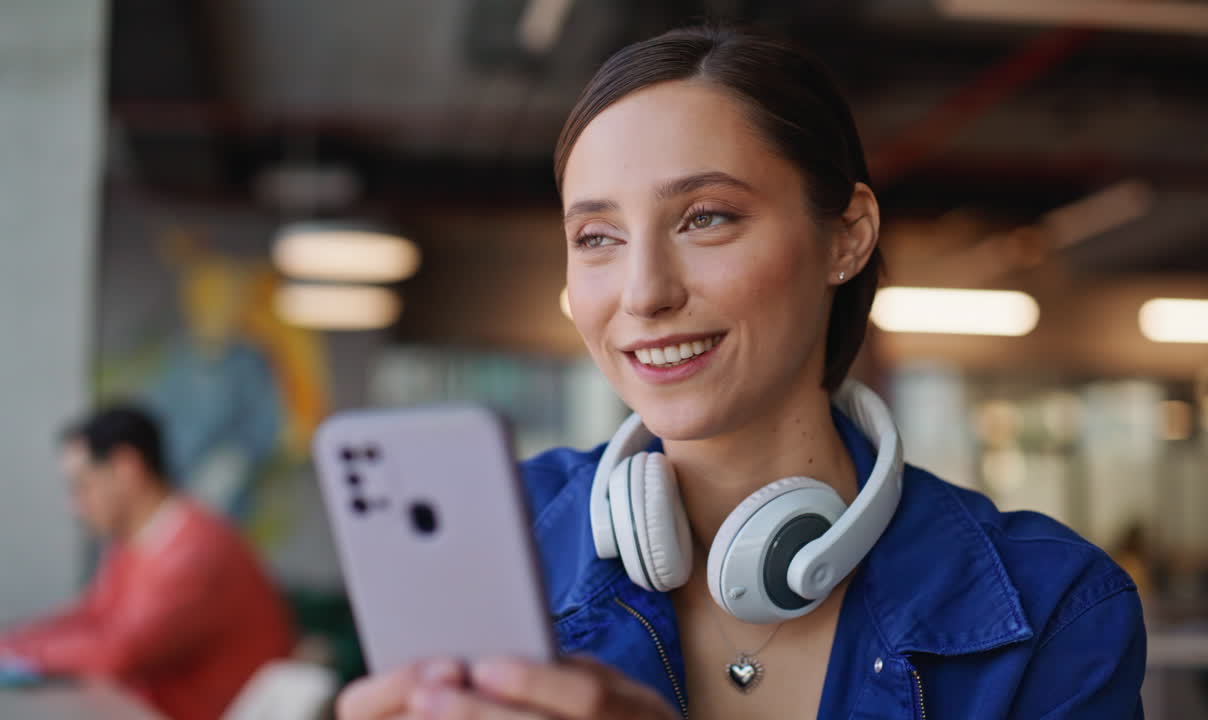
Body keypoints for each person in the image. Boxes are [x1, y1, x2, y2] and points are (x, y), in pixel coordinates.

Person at [338, 25, 1146, 720]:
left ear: (847, 236)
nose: (645, 292)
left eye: (706, 218)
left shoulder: (1052, 610)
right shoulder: (495, 541)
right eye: (597, 237)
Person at [0, 405, 295, 720]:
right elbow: (93, 617)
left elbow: (120, 652)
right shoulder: (135, 541)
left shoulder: (197, 551)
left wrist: (21, 653)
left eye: (83, 485)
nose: (76, 506)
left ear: (127, 468)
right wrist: (12, 643)